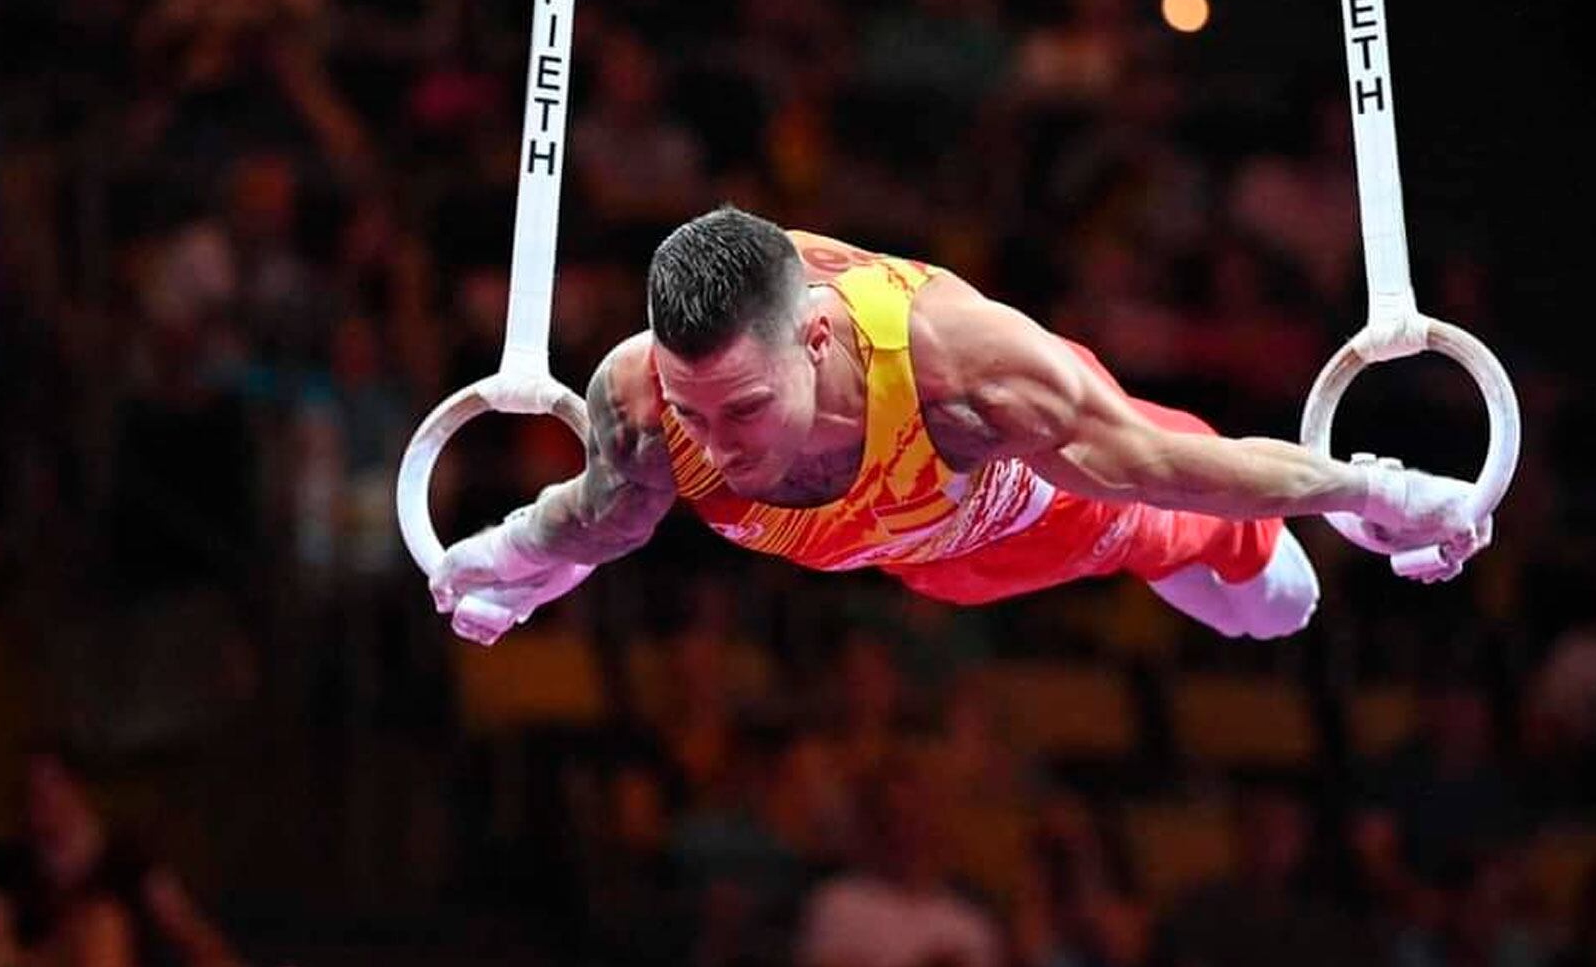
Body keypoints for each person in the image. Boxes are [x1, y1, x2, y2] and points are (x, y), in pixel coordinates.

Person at [429, 207, 1492, 646]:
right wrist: (504, 564)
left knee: (1267, 602)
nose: (718, 443)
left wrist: (1371, 491)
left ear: (810, 339)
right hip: (917, 557)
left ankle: (1243, 551)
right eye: (695, 408)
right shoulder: (646, 402)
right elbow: (597, 523)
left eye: (745, 408)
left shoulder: (965, 372)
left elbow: (1170, 467)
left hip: (1046, 507)